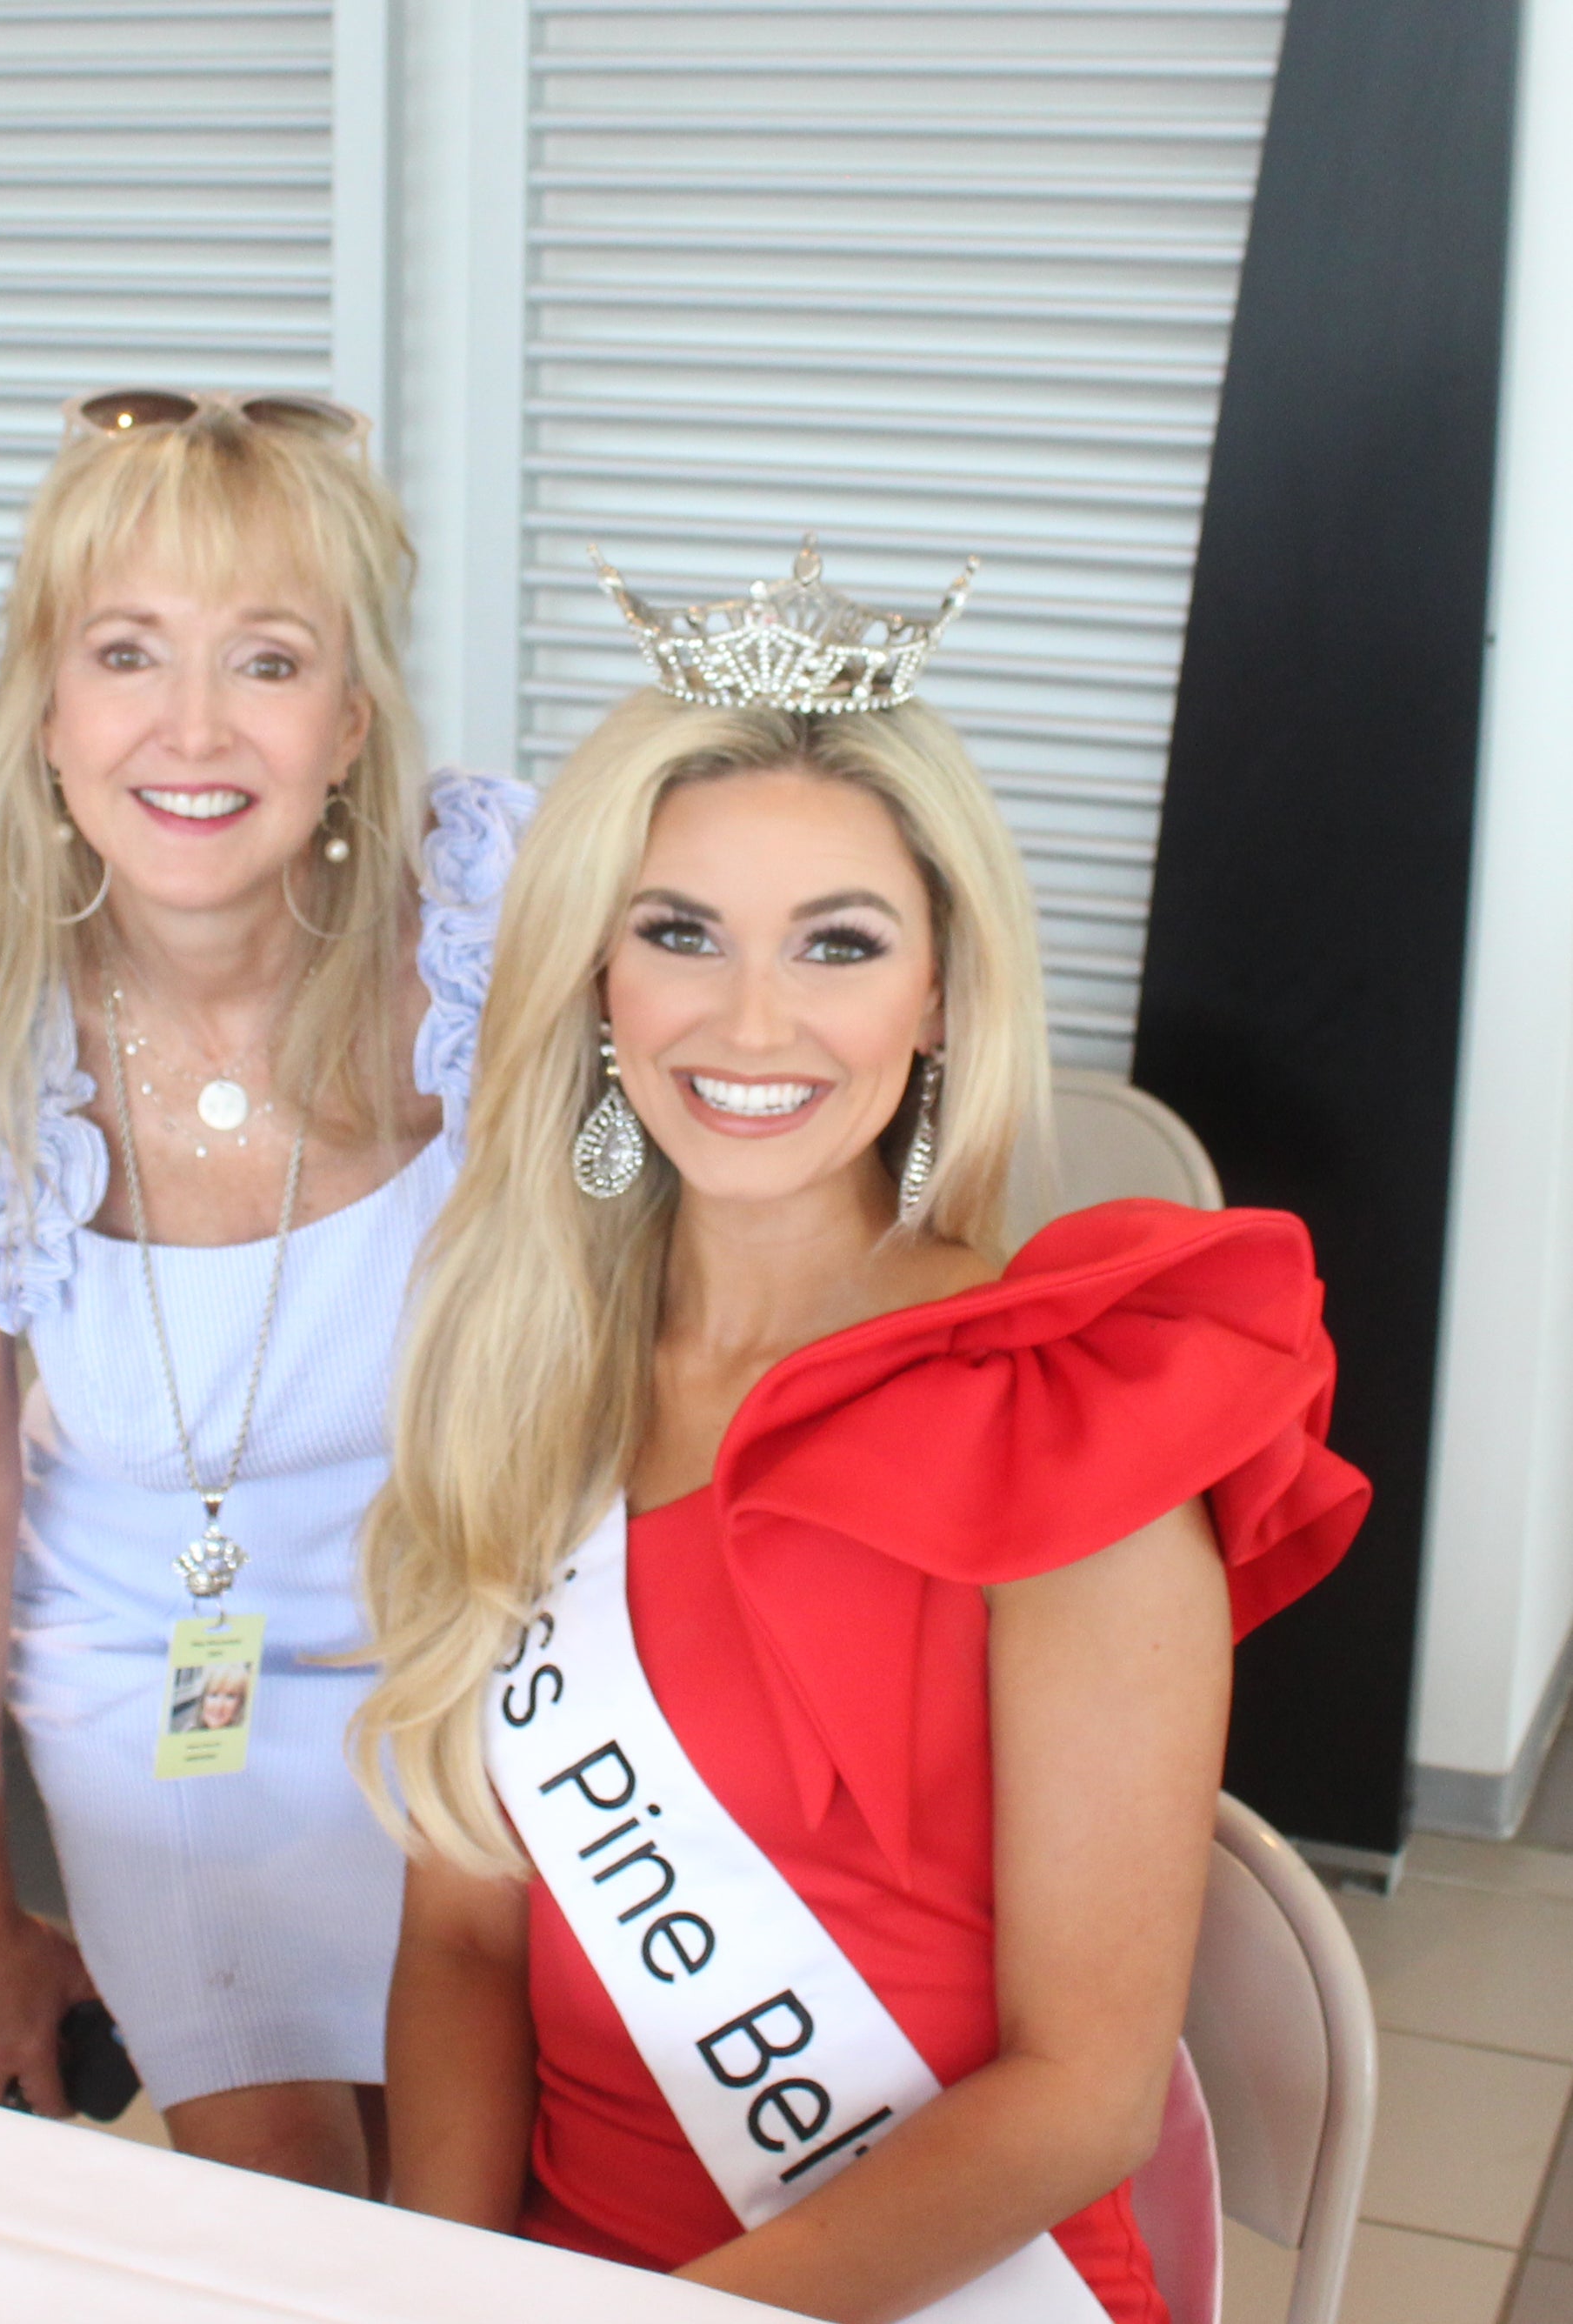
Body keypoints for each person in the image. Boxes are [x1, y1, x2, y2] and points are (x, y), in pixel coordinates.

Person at [355, 544, 1369, 2318]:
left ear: (945, 996)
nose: (752, 1021)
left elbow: (1081, 2099)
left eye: (839, 942)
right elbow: (460, 1938)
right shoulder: (522, 1372)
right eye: (681, 933)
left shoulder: (1073, 1423)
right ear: (599, 980)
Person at [0, 388, 530, 2191]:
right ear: (49, 709)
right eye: (129, 653)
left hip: (472, 1671)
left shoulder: (489, 943)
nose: (193, 727)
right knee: (290, 2211)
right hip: (163, 1700)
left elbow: (645, 1233)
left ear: (352, 721)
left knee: (478, 2201)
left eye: (269, 659)